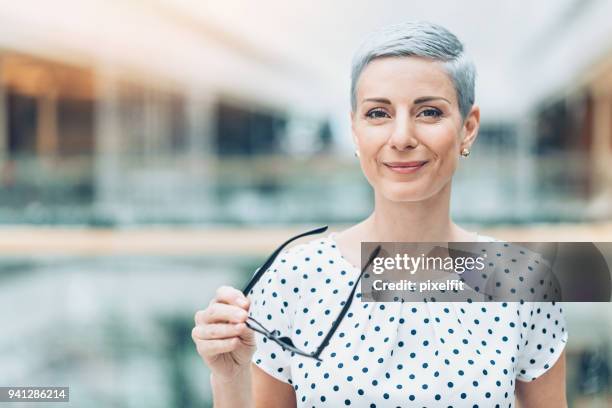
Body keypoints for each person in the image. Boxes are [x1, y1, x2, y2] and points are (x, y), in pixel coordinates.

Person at [192, 21, 568, 407]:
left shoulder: (524, 281)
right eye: (378, 114)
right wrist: (230, 380)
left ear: (468, 128)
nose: (402, 137)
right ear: (354, 129)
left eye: (428, 112)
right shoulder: (292, 280)